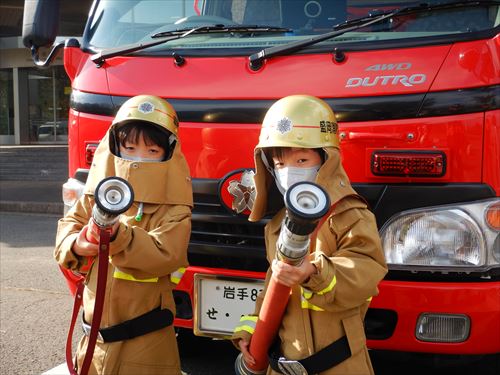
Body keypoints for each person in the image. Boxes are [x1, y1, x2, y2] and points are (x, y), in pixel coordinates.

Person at [233, 95, 388, 374]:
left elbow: (367, 271)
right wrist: (253, 329)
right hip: (285, 362)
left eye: (302, 159)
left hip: (340, 364)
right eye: (279, 165)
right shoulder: (278, 225)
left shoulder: (349, 215)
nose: (289, 172)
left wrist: (315, 271)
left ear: (326, 160)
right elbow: (273, 288)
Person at [55, 95, 193, 375]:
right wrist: (79, 243)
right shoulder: (96, 197)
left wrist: (119, 236)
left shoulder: (173, 208)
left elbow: (166, 254)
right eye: (129, 148)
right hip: (94, 343)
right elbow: (66, 232)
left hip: (146, 345)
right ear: (115, 148)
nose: (137, 159)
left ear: (168, 153)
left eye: (151, 151)